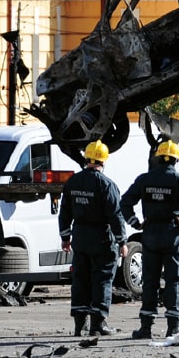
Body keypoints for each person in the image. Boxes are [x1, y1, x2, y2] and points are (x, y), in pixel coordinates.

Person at [120, 139, 179, 339]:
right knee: (174, 280)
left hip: (150, 234)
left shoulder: (144, 179)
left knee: (150, 280)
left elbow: (125, 202)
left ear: (158, 158)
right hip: (172, 232)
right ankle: (173, 326)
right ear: (175, 160)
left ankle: (146, 327)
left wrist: (135, 223)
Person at [58, 141, 129, 336]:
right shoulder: (106, 184)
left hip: (80, 236)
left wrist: (65, 237)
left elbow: (64, 211)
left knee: (80, 280)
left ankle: (80, 324)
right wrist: (122, 241)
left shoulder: (73, 182)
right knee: (102, 279)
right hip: (101, 238)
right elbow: (115, 215)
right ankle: (98, 323)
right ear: (103, 160)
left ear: (87, 158)